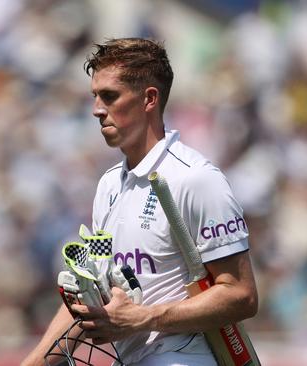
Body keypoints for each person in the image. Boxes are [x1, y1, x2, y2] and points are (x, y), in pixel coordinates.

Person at [22, 38, 258, 366]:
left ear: (149, 98)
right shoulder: (108, 186)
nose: (96, 109)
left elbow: (240, 295)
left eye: (110, 96)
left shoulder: (195, 179)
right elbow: (94, 292)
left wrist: (144, 318)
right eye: (95, 96)